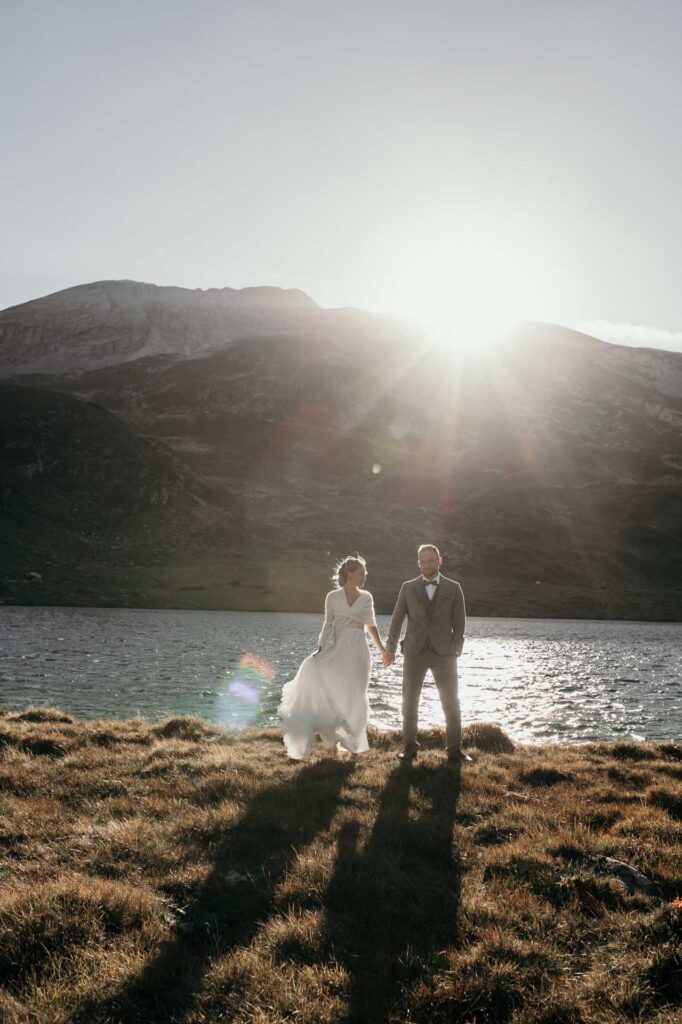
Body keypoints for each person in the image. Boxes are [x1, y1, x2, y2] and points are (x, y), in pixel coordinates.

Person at [279, 555, 389, 760]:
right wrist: (320, 648)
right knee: (334, 696)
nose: (364, 577)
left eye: (364, 574)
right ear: (349, 574)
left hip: (359, 653)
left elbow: (371, 626)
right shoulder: (332, 597)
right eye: (361, 573)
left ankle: (355, 750)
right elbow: (328, 625)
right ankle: (335, 745)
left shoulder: (367, 597)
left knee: (356, 698)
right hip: (338, 651)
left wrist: (382, 650)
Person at [384, 544, 468, 765]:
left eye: (431, 561)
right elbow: (396, 619)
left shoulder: (454, 588)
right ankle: (410, 747)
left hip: (445, 654)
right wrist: (390, 648)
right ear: (418, 563)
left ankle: (454, 750)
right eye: (422, 561)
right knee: (409, 702)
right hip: (414, 652)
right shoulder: (407, 588)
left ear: (439, 561)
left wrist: (457, 647)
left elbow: (459, 622)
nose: (427, 565)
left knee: (451, 702)